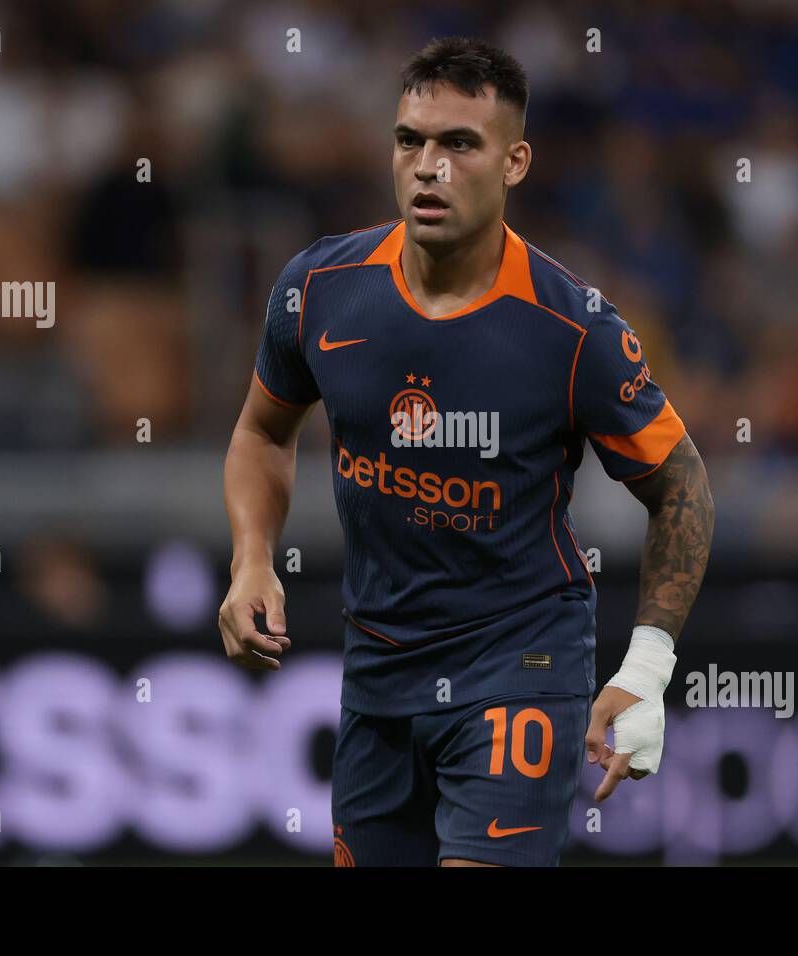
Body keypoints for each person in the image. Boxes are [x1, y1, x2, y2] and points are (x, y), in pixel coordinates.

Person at [220, 37, 714, 867]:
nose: (428, 167)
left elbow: (682, 486)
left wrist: (649, 666)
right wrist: (251, 559)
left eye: (460, 144)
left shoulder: (573, 332)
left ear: (515, 161)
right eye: (411, 140)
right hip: (377, 670)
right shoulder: (318, 290)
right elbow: (262, 431)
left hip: (518, 663)